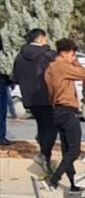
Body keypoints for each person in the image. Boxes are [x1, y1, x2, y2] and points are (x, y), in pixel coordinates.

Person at [43, 38, 85, 191]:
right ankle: (54, 180)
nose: (73, 58)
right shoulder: (62, 66)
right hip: (67, 109)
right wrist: (75, 62)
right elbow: (84, 74)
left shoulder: (50, 69)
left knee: (66, 148)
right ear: (64, 54)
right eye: (72, 54)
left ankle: (74, 183)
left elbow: (50, 92)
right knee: (74, 149)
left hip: (57, 109)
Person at [12, 29, 57, 171]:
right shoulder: (48, 55)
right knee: (51, 127)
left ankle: (44, 154)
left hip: (29, 98)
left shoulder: (20, 56)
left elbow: (15, 78)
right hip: (47, 96)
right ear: (41, 39)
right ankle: (45, 155)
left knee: (42, 125)